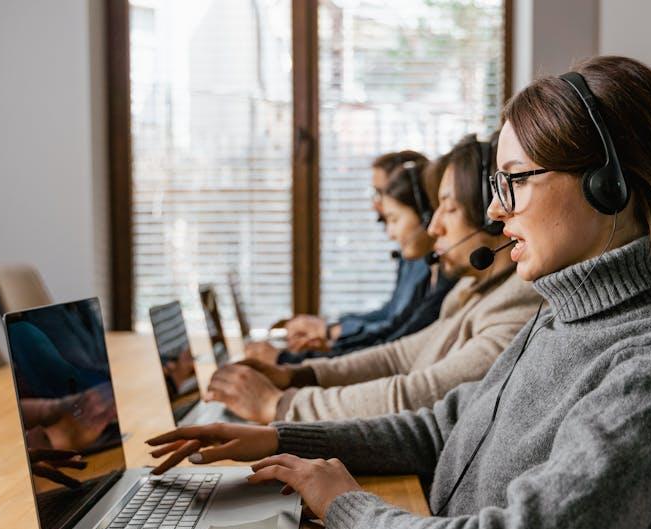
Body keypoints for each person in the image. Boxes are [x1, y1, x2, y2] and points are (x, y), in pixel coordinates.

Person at [146, 56, 651, 529]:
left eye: (515, 180)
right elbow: (443, 429)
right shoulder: (559, 317)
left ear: (609, 184)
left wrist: (345, 507)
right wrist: (283, 439)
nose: (495, 213)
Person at [206, 134, 541, 423]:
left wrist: (278, 404)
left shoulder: (516, 304)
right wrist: (297, 374)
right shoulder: (474, 288)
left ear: (493, 218)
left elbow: (419, 393)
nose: (433, 226)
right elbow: (396, 356)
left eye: (448, 209)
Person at [247, 155, 457, 365]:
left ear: (424, 212)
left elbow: (394, 345)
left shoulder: (441, 275)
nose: (377, 204)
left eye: (380, 192)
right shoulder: (427, 267)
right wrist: (331, 343)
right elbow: (393, 329)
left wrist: (297, 360)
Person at [276, 151, 432, 355]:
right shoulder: (411, 254)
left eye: (380, 192)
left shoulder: (428, 259)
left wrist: (330, 333)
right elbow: (391, 314)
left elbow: (398, 332)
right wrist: (333, 328)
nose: (376, 204)